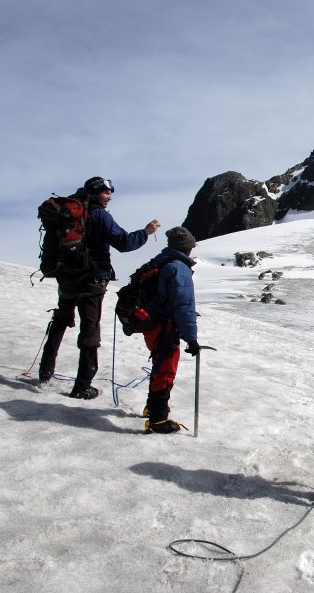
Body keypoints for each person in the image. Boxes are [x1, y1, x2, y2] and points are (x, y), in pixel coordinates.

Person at [38, 177, 160, 399]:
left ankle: (45, 372)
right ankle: (82, 385)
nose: (110, 197)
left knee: (61, 320)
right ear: (96, 193)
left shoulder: (71, 211)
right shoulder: (99, 215)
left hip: (66, 276)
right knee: (90, 329)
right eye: (106, 193)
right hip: (92, 279)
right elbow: (124, 242)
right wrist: (146, 231)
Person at [141, 226, 201, 434]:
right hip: (165, 324)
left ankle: (153, 407)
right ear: (187, 247)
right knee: (165, 369)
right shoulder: (178, 268)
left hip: (152, 322)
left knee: (159, 364)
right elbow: (183, 305)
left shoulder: (162, 260)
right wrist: (191, 338)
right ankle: (158, 419)